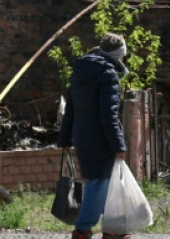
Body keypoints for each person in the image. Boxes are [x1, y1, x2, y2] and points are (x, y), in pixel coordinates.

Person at [57, 32, 131, 239]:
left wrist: (65, 138)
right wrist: (119, 145)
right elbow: (109, 114)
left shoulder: (80, 70)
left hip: (83, 135)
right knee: (99, 183)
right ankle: (83, 229)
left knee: (103, 183)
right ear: (118, 54)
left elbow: (70, 107)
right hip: (100, 138)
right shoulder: (108, 74)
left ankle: (111, 229)